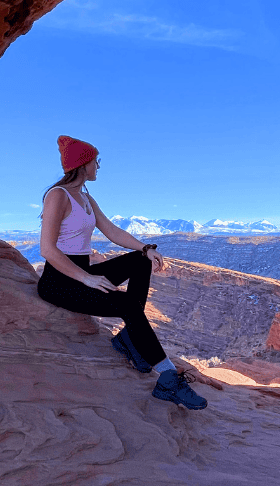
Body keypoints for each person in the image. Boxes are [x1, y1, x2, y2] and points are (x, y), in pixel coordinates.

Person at [36, 135, 207, 410]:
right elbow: (47, 249)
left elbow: (112, 231)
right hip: (59, 282)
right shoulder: (58, 196)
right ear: (84, 164)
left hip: (81, 273)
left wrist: (145, 248)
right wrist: (87, 278)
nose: (99, 167)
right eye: (96, 161)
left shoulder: (85, 197)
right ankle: (167, 377)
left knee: (140, 261)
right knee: (127, 304)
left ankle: (130, 337)